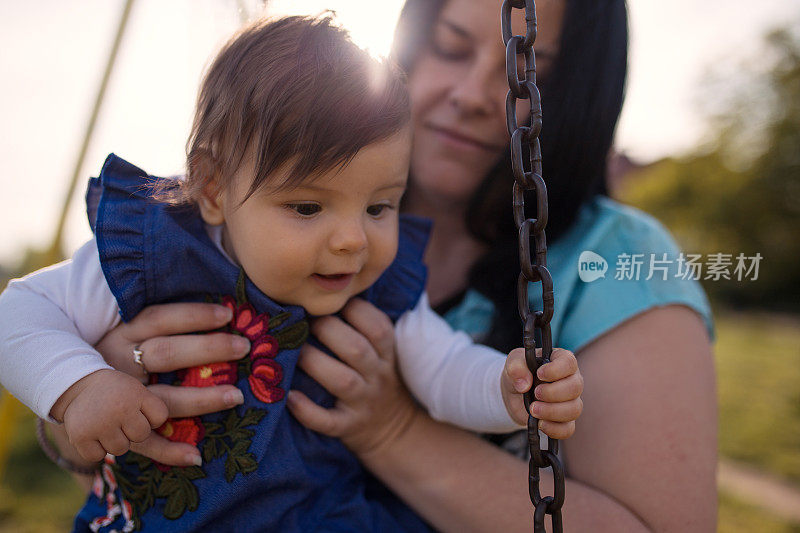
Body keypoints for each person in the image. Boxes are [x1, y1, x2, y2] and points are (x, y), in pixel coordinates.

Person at [14, 0, 717, 531]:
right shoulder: (166, 244)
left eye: (378, 207)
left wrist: (508, 386)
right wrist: (82, 388)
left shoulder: (385, 278)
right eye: (448, 46)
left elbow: (443, 369)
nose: (351, 240)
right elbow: (22, 315)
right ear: (214, 190)